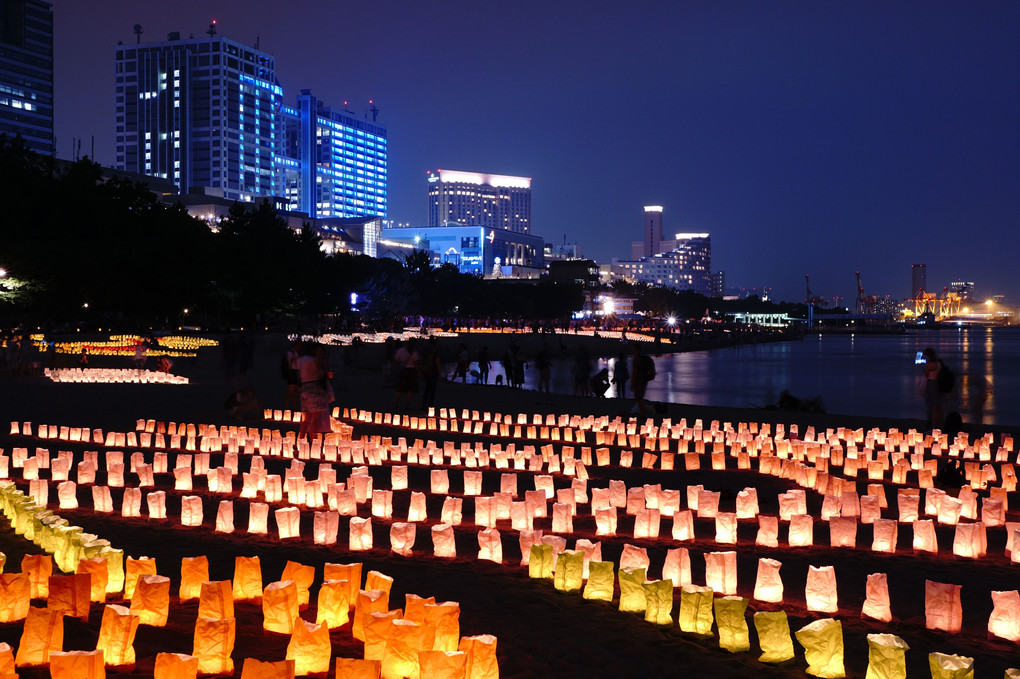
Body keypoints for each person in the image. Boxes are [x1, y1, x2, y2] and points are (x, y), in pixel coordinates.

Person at [297, 343, 331, 438]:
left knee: (306, 419)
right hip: (314, 388)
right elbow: (321, 374)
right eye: (319, 351)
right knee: (316, 419)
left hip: (304, 388)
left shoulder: (302, 359)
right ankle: (313, 441)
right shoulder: (315, 361)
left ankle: (301, 440)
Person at [917, 347, 944, 429]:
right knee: (939, 407)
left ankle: (934, 426)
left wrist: (921, 367)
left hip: (931, 385)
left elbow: (926, 375)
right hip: (938, 384)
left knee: (933, 407)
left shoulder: (930, 364)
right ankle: (941, 425)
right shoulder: (939, 363)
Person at [393, 339, 420, 409]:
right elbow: (416, 363)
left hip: (403, 370)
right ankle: (407, 405)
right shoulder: (414, 352)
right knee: (410, 390)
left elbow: (396, 360)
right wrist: (419, 372)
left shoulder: (400, 351)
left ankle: (396, 404)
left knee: (400, 389)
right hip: (412, 371)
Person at [630, 343, 654, 415]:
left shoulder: (637, 358)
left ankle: (642, 413)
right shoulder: (642, 357)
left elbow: (635, 371)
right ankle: (642, 412)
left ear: (636, 349)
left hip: (639, 380)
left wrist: (632, 383)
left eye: (633, 348)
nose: (632, 349)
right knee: (640, 396)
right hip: (644, 379)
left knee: (639, 397)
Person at [282, 340, 302, 411]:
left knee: (297, 393)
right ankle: (285, 409)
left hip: (298, 372)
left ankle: (294, 409)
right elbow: (289, 363)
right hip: (292, 372)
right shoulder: (290, 353)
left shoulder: (299, 353)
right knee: (290, 393)